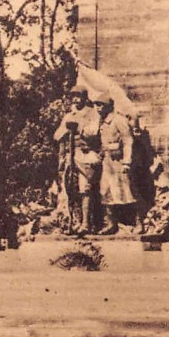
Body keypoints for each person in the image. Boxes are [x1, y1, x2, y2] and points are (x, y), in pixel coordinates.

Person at [54, 93, 102, 235]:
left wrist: (79, 127)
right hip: (71, 156)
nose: (75, 99)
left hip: (86, 155)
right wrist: (66, 128)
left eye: (79, 96)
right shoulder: (69, 115)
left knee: (85, 188)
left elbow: (93, 133)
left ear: (85, 98)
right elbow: (57, 136)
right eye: (73, 97)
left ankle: (86, 223)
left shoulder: (92, 114)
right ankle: (73, 222)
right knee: (70, 190)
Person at [94, 98, 136, 234]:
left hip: (119, 162)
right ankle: (111, 224)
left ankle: (139, 222)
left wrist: (127, 162)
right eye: (96, 105)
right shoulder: (103, 121)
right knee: (106, 192)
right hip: (107, 163)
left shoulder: (118, 120)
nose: (98, 108)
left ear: (108, 106)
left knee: (127, 192)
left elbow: (128, 141)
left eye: (101, 105)